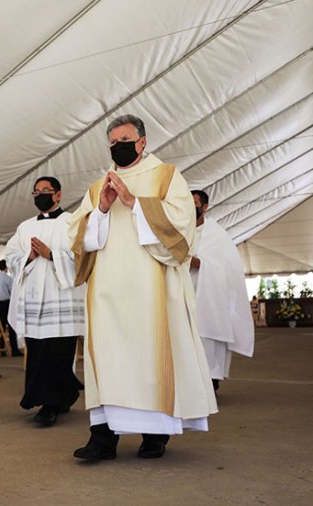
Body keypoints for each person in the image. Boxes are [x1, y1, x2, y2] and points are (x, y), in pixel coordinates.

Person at [69, 114, 217, 460]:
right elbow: (77, 237)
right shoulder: (97, 186)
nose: (119, 147)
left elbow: (181, 230)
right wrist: (102, 209)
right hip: (106, 294)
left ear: (142, 142)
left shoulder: (166, 177)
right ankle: (102, 439)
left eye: (125, 140)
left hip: (152, 293)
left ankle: (154, 436)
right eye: (113, 142)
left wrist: (136, 204)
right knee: (107, 361)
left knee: (150, 361)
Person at [5, 177, 85, 426]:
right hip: (34, 301)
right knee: (39, 352)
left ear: (58, 194)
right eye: (36, 192)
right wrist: (28, 256)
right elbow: (10, 256)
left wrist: (52, 255)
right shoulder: (25, 227)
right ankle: (56, 396)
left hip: (61, 299)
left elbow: (83, 256)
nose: (41, 195)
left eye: (46, 191)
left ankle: (52, 404)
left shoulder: (71, 222)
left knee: (58, 352)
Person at [189, 190, 254, 392]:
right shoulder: (181, 230)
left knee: (207, 339)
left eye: (194, 203)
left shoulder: (216, 234)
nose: (190, 208)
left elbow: (226, 268)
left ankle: (211, 382)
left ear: (205, 207)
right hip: (185, 294)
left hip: (210, 296)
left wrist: (196, 262)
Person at [0, 259, 22, 357]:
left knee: (1, 327)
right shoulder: (8, 278)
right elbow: (12, 291)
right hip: (7, 303)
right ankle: (14, 350)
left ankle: (1, 349)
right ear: (7, 267)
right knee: (11, 327)